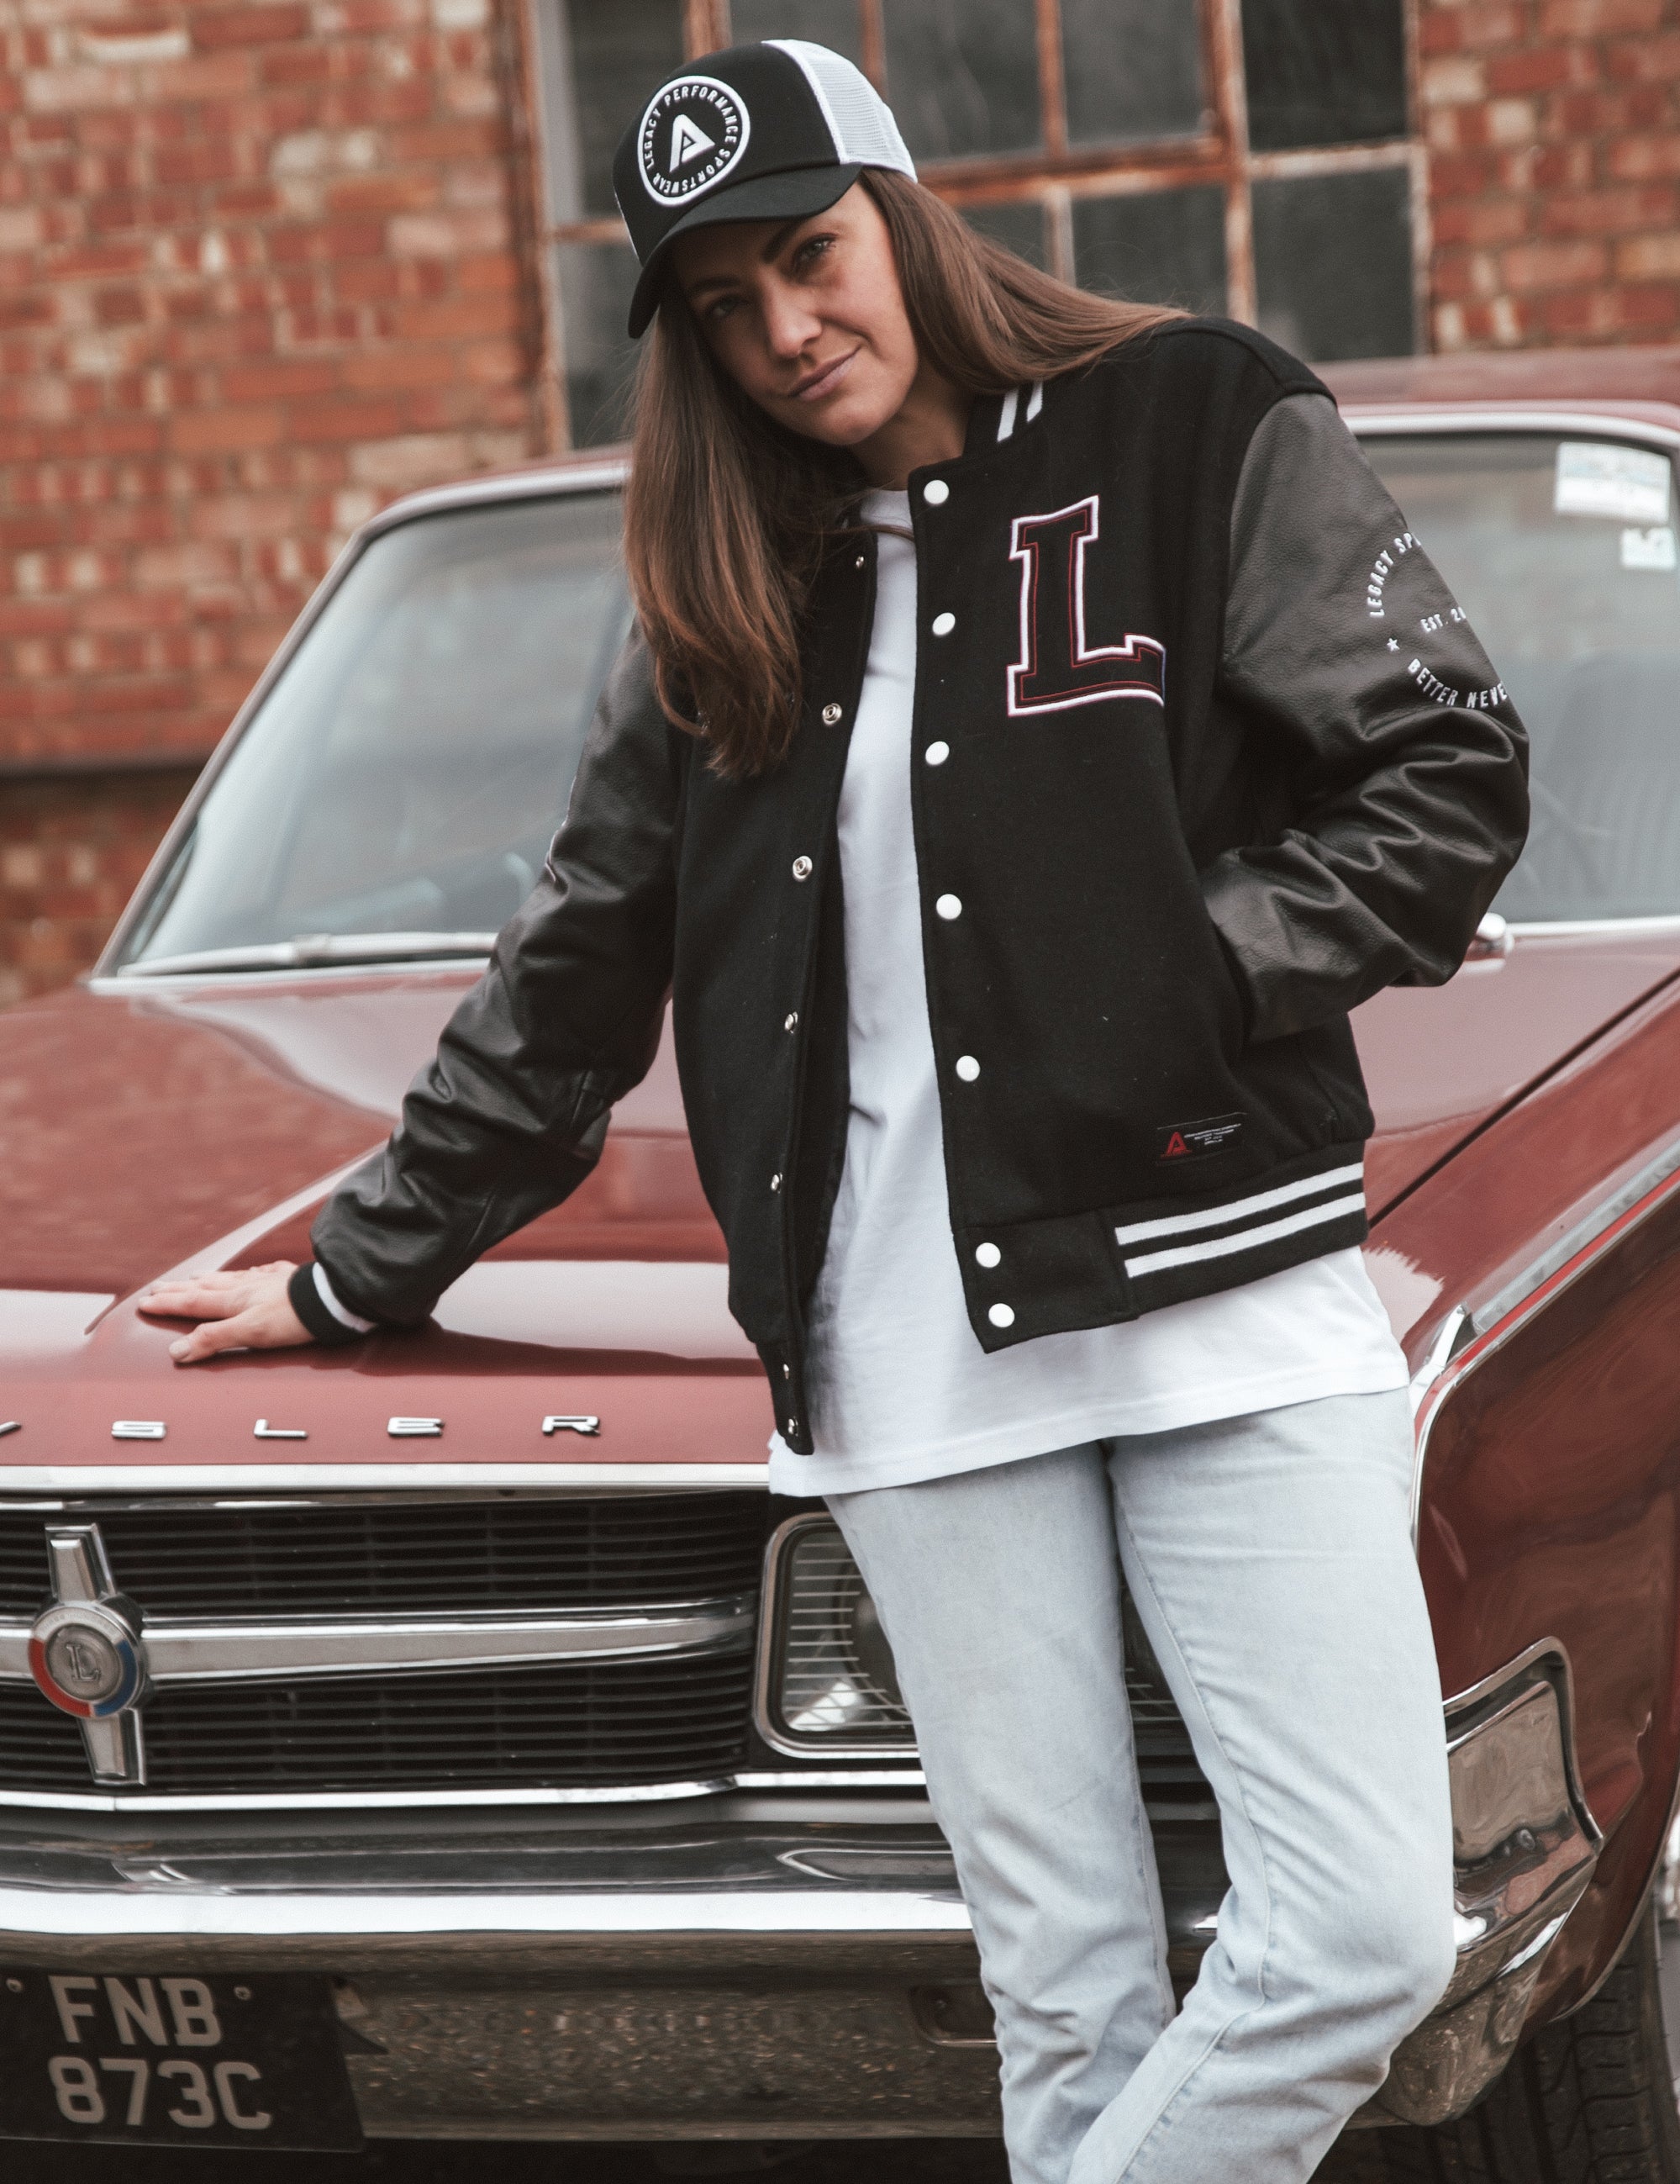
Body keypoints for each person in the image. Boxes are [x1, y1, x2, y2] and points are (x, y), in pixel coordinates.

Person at [142, 40, 1529, 2184]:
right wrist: (356, 1261)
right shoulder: (724, 581)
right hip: (902, 1348)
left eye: (809, 256)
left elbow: (1443, 771)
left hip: (1214, 1278)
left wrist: (1189, 980)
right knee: (1068, 1984)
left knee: (1346, 1933)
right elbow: (583, 960)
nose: (785, 331)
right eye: (723, 304)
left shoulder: (1197, 417)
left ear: (904, 214)